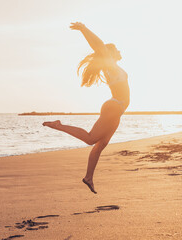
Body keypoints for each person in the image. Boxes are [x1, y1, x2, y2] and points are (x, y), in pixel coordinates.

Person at [42, 22, 130, 194]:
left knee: (100, 144)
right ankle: (59, 125)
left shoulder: (113, 66)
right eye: (116, 49)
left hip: (116, 109)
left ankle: (89, 177)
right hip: (114, 107)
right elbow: (99, 46)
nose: (120, 51)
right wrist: (83, 29)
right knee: (91, 139)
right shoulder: (110, 65)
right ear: (110, 53)